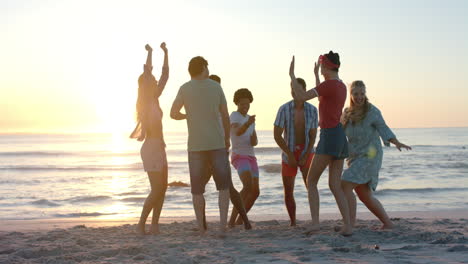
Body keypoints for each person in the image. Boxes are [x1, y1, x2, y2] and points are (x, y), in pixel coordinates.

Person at [289, 51, 352, 236]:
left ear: (327, 67)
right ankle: (348, 226)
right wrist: (316, 76)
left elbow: (300, 96)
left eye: (321, 66)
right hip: (340, 136)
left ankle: (315, 223)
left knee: (311, 180)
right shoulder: (339, 85)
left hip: (329, 135)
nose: (321, 68)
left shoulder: (329, 85)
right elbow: (322, 96)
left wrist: (292, 76)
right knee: (334, 185)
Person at [170, 56, 232, 235]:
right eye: (207, 66)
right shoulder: (216, 86)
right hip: (217, 143)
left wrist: (187, 116)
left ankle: (201, 227)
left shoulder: (184, 88)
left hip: (196, 145)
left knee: (197, 190)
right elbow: (225, 116)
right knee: (223, 186)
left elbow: (173, 113)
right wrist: (227, 139)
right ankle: (222, 227)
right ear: (204, 67)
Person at [341, 80, 411, 229]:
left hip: (371, 156)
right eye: (356, 94)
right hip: (354, 157)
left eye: (362, 93)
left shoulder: (372, 111)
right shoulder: (347, 113)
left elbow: (383, 128)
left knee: (344, 183)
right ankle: (388, 224)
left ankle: (349, 224)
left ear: (365, 94)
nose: (359, 97)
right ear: (351, 95)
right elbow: (340, 132)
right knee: (364, 195)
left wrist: (396, 142)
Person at [200, 75, 252, 230]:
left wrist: (225, 144)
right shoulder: (209, 106)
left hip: (218, 151)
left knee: (228, 188)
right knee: (203, 188)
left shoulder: (219, 106)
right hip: (208, 151)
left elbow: (226, 129)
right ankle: (203, 224)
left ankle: (245, 222)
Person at [130, 42, 169, 235]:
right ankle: (141, 224)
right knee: (156, 189)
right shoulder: (144, 102)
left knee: (163, 189)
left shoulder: (155, 98)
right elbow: (148, 72)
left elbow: (165, 76)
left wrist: (166, 53)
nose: (155, 82)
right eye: (151, 81)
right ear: (146, 84)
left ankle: (155, 225)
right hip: (151, 147)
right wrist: (151, 53)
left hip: (160, 147)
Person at [274, 78, 318, 226]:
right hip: (289, 152)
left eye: (297, 89)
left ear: (304, 91)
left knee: (310, 187)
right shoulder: (284, 109)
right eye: (292, 88)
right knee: (288, 190)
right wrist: (290, 154)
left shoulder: (312, 110)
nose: (294, 92)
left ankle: (315, 220)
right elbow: (277, 134)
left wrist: (305, 155)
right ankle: (293, 222)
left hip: (307, 151)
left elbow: (313, 136)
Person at [229, 88, 260, 226]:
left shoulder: (250, 119)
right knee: (247, 186)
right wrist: (247, 124)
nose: (245, 107)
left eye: (247, 104)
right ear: (237, 103)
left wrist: (252, 133)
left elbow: (254, 141)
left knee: (255, 192)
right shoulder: (234, 116)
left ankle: (240, 220)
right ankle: (231, 221)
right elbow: (237, 133)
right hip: (239, 155)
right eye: (242, 104)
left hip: (251, 156)